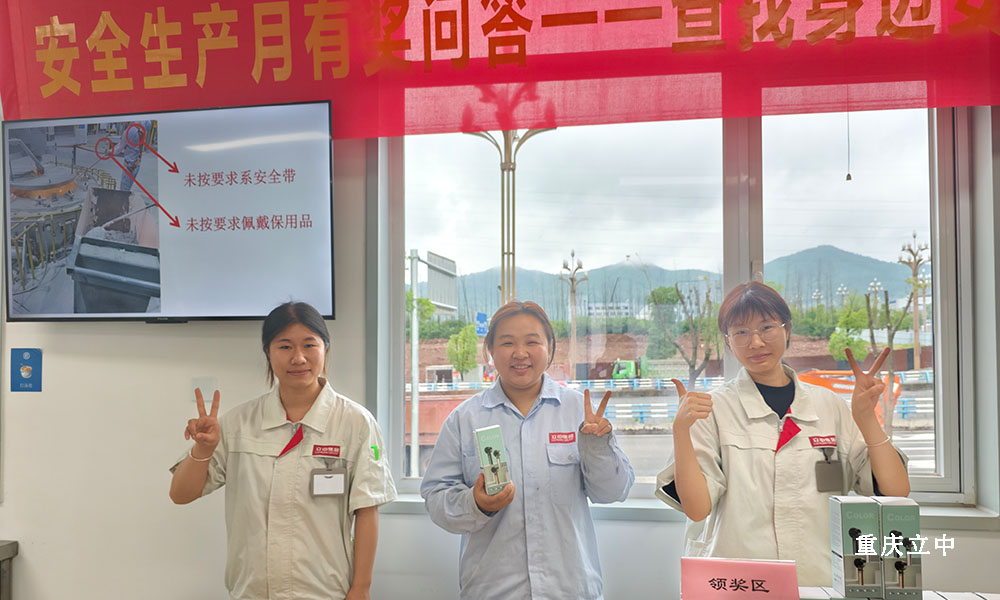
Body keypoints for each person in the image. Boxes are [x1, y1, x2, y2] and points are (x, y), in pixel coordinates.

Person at [656, 281, 910, 586]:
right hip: (741, 583)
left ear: (787, 330)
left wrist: (867, 420)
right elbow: (697, 510)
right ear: (728, 342)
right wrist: (680, 430)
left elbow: (896, 491)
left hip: (818, 580)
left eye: (766, 327)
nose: (756, 342)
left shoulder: (829, 406)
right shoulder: (713, 410)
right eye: (741, 332)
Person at [169, 302, 397, 600]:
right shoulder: (238, 423)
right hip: (252, 591)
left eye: (309, 345)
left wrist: (361, 588)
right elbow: (181, 494)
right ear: (268, 352)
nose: (298, 357)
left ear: (326, 349)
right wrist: (203, 449)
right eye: (285, 346)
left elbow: (367, 510)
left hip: (326, 591)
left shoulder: (356, 423)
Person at [420, 300, 635, 600]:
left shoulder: (578, 411)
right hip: (494, 591)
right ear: (490, 350)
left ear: (550, 348)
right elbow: (435, 497)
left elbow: (613, 492)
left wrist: (598, 446)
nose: (520, 353)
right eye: (507, 342)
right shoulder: (464, 419)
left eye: (532, 342)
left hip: (569, 589)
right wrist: (476, 503)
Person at [119, 120, 152, 192]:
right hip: (137, 162)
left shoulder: (127, 132)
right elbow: (149, 124)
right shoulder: (143, 123)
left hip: (129, 164)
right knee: (129, 185)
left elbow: (118, 149)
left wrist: (110, 151)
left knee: (124, 189)